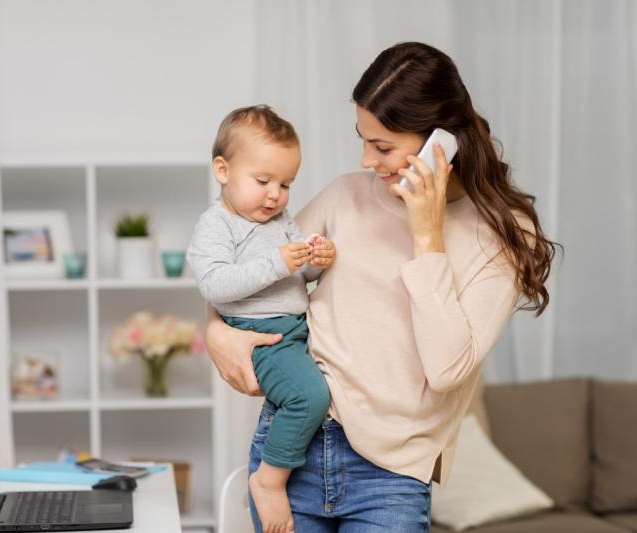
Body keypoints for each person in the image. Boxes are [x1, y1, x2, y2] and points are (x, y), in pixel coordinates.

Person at [206, 42, 559, 532]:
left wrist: (427, 233)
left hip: (392, 476)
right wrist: (215, 332)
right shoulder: (344, 197)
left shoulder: (505, 234)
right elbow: (241, 271)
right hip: (293, 451)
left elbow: (447, 369)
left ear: (443, 140)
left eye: (383, 146)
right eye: (364, 139)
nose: (367, 160)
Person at [187, 105, 336, 533]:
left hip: (295, 326)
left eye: (286, 184)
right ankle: (270, 480)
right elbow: (215, 285)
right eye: (263, 181)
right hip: (262, 335)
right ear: (223, 170)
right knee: (308, 397)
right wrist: (279, 263)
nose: (275, 195)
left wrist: (317, 260)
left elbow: (298, 276)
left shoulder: (281, 220)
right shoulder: (216, 225)